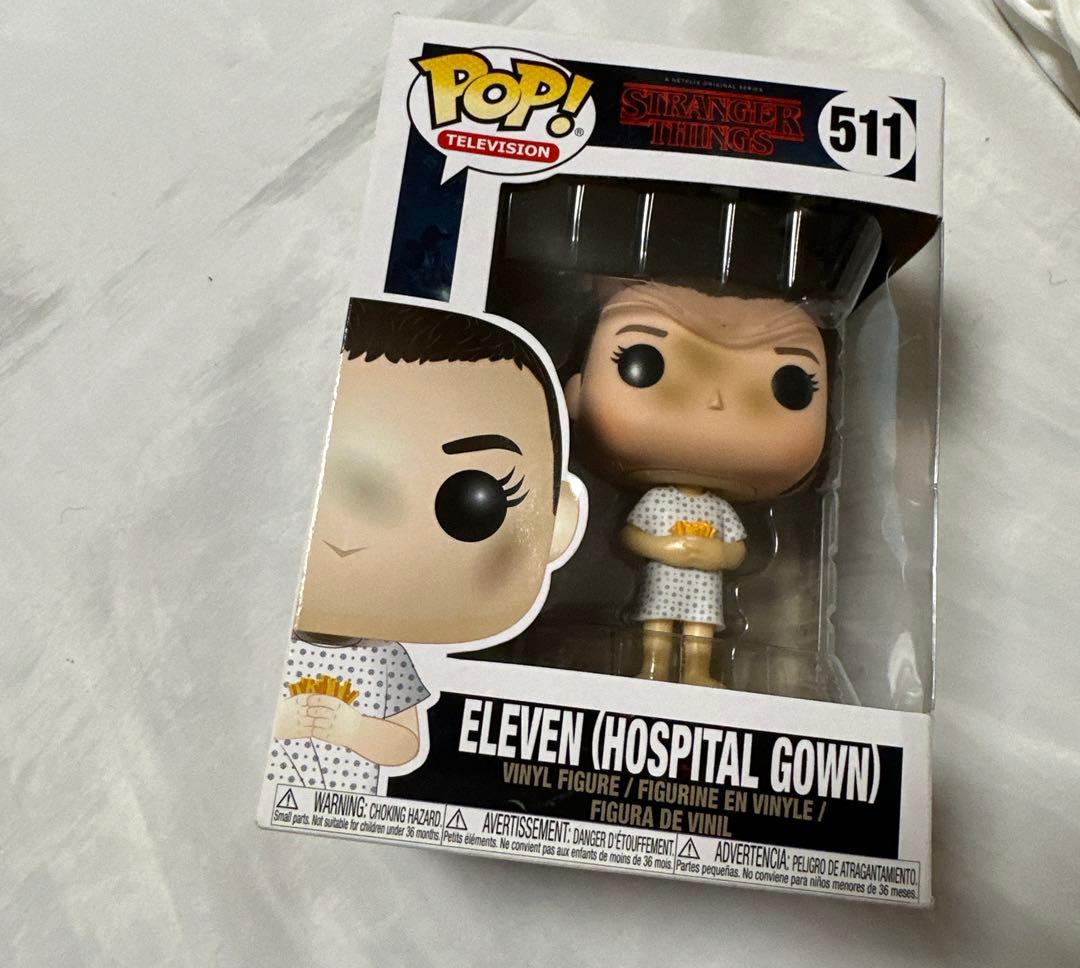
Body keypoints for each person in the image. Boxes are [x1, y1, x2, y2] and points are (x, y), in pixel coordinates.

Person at [266, 298, 581, 794]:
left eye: (470, 500)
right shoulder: (261, 635)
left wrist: (351, 730)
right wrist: (279, 720)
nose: (352, 536)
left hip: (355, 804)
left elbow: (405, 744)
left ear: (557, 524)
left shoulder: (387, 660)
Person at [564, 282, 827, 687]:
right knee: (657, 623)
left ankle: (697, 672)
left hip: (704, 582)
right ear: (575, 392)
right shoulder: (657, 500)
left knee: (701, 630)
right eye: (645, 361)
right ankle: (653, 667)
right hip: (666, 575)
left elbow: (737, 549)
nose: (716, 400)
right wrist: (662, 548)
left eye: (790, 384)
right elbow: (631, 536)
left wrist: (719, 554)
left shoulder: (719, 509)